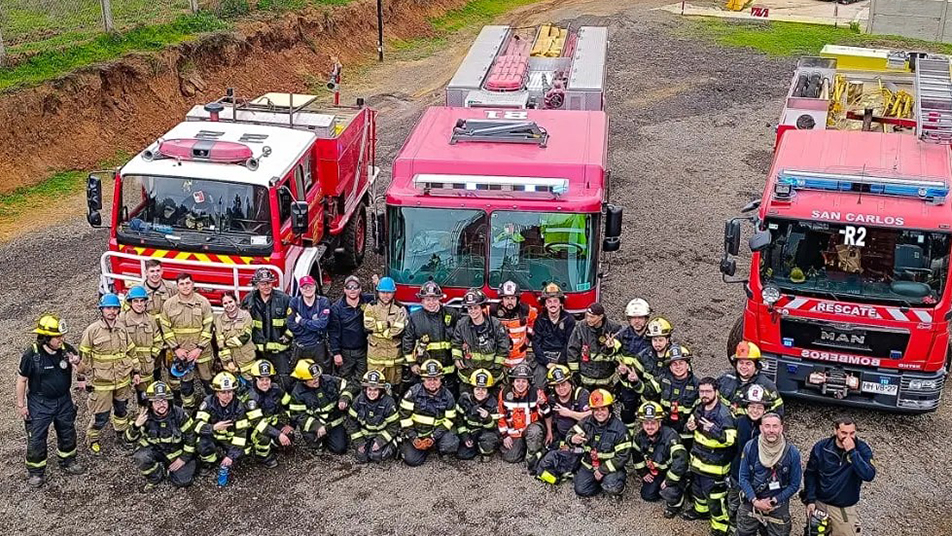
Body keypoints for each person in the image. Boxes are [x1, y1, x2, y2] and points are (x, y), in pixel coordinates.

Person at [17, 314, 85, 487]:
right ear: (45, 338)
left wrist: (77, 363)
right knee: (37, 438)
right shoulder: (31, 355)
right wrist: (21, 405)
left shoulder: (67, 350)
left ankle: (68, 460)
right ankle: (36, 471)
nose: (61, 339)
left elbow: (83, 369)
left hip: (64, 401)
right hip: (39, 404)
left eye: (62, 335)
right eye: (57, 337)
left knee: (67, 431)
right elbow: (22, 380)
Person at [78, 293, 141, 454]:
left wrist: (136, 371)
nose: (112, 311)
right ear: (101, 310)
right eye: (108, 308)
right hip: (101, 382)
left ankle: (121, 437)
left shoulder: (121, 328)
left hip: (121, 380)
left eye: (115, 308)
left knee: (121, 411)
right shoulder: (92, 331)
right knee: (101, 416)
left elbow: (131, 351)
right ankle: (92, 439)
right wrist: (81, 378)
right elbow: (83, 357)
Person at [803, 417, 876, 536]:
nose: (848, 437)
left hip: (843, 509)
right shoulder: (821, 447)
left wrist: (852, 452)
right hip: (820, 504)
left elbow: (869, 475)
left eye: (852, 433)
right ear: (835, 431)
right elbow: (810, 474)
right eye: (844, 433)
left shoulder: (862, 449)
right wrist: (810, 499)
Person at [683, 377, 737, 536]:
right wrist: (689, 427)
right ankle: (701, 511)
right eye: (701, 391)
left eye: (708, 391)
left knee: (715, 500)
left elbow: (731, 440)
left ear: (716, 392)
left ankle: (721, 527)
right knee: (697, 492)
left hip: (714, 468)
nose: (704, 395)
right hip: (698, 464)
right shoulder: (699, 408)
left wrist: (713, 430)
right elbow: (690, 429)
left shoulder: (724, 414)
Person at [736, 413, 801, 536]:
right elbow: (743, 478)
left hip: (778, 504)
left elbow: (795, 484)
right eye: (767, 426)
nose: (771, 430)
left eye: (775, 426)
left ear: (781, 428)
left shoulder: (792, 453)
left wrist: (774, 501)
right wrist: (755, 501)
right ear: (761, 428)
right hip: (752, 500)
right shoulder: (750, 447)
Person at [127, 381, 196, 490]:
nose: (161, 404)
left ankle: (170, 470)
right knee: (141, 457)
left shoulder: (179, 414)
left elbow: (191, 437)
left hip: (175, 452)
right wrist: (136, 426)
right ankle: (156, 477)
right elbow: (128, 439)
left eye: (164, 400)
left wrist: (183, 458)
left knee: (184, 481)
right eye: (156, 401)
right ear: (151, 403)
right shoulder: (144, 415)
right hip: (155, 450)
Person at [159, 273, 214, 410]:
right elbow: (166, 329)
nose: (185, 286)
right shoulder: (169, 305)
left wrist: (199, 348)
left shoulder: (203, 302)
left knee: (208, 381)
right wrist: (176, 348)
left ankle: (213, 407)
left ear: (193, 284)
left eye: (188, 283)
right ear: (177, 286)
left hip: (202, 352)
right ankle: (188, 409)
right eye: (182, 284)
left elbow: (209, 327)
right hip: (180, 353)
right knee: (185, 383)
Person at [567, 389, 631, 498]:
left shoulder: (620, 429)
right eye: (596, 409)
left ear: (610, 410)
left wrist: (602, 470)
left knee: (611, 486)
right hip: (589, 464)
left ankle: (617, 484)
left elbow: (623, 457)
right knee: (581, 490)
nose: (599, 412)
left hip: (610, 467)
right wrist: (572, 438)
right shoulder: (586, 422)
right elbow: (570, 433)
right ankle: (600, 484)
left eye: (603, 409)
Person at [631, 402, 688, 518]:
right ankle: (664, 488)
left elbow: (680, 462)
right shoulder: (639, 437)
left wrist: (668, 481)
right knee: (647, 495)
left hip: (671, 474)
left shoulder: (671, 437)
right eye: (646, 423)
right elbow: (636, 456)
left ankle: (676, 503)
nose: (649, 426)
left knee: (669, 492)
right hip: (656, 473)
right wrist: (643, 473)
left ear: (660, 422)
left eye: (653, 422)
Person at [193, 372, 250, 487]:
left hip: (229, 438)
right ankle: (209, 462)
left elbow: (241, 435)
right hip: (212, 436)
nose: (227, 395)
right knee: (202, 444)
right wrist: (213, 427)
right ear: (216, 393)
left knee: (244, 452)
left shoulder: (239, 407)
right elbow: (197, 425)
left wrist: (231, 456)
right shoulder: (208, 403)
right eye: (223, 392)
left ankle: (226, 456)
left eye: (229, 391)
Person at [288, 359, 355, 455]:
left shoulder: (328, 380)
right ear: (303, 380)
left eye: (317, 377)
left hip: (333, 422)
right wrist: (317, 426)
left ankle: (330, 437)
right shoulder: (297, 393)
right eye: (312, 379)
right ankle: (317, 443)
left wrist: (344, 398)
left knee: (340, 449)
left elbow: (347, 385)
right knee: (315, 444)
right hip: (315, 423)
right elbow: (298, 416)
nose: (316, 380)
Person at [399, 359, 459, 466]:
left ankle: (438, 448)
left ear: (441, 380)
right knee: (412, 461)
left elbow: (449, 420)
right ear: (423, 380)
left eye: (435, 379)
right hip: (417, 433)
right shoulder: (412, 393)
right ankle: (420, 448)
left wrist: (433, 437)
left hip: (437, 433)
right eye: (428, 379)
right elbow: (404, 418)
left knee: (450, 443)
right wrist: (414, 438)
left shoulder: (448, 396)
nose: (432, 383)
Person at [242, 268, 294, 389]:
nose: (267, 286)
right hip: (258, 350)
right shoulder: (249, 300)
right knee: (258, 380)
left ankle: (285, 405)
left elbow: (294, 321)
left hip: (280, 349)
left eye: (269, 283)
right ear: (256, 285)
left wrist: (288, 335)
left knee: (285, 380)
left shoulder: (284, 299)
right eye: (263, 283)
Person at [729, 384, 774, 522]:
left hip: (759, 475)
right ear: (746, 407)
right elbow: (731, 446)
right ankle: (732, 521)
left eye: (759, 407)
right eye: (752, 407)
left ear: (765, 409)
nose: (755, 411)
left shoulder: (769, 428)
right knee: (734, 500)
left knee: (753, 504)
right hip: (738, 471)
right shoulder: (739, 422)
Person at [402, 281, 459, 388]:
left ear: (440, 299)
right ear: (422, 300)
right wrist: (412, 364)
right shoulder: (415, 318)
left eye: (434, 299)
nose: (431, 303)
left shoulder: (452, 314)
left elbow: (460, 338)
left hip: (448, 371)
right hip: (424, 372)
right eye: (428, 299)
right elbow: (407, 341)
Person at [497, 363, 551, 471]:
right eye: (518, 381)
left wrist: (543, 404)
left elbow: (547, 413)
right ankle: (525, 447)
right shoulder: (504, 393)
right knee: (511, 457)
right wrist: (505, 435)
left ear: (528, 382)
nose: (520, 384)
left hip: (531, 428)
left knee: (534, 432)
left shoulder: (537, 393)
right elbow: (500, 415)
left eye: (524, 381)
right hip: (514, 431)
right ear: (513, 382)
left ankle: (532, 457)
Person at [453, 288, 510, 388]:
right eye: (470, 308)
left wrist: (496, 367)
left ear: (482, 307)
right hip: (468, 374)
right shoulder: (461, 325)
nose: (472, 311)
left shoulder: (495, 325)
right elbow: (456, 343)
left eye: (476, 308)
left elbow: (503, 346)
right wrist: (457, 359)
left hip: (491, 374)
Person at [244, 360, 293, 468]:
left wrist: (291, 425)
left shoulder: (276, 389)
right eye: (261, 379)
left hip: (271, 423)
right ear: (255, 379)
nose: (265, 383)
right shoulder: (252, 399)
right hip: (253, 429)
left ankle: (273, 443)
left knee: (289, 435)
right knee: (263, 438)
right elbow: (258, 423)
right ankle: (262, 457)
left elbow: (289, 406)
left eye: (267, 379)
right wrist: (279, 434)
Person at [363, 276, 408, 393]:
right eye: (383, 292)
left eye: (389, 292)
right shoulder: (371, 307)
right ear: (378, 292)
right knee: (374, 385)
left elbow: (399, 328)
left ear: (393, 293)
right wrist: (388, 324)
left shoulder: (400, 308)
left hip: (394, 355)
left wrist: (380, 330)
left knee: (395, 386)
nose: (385, 295)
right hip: (375, 354)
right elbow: (368, 325)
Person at [119, 286, 162, 405]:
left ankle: (145, 418)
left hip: (145, 366)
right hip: (126, 367)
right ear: (130, 303)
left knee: (147, 398)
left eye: (142, 301)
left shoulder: (151, 320)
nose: (139, 304)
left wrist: (152, 357)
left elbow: (158, 341)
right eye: (135, 301)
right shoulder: (121, 319)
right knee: (122, 401)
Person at [346, 370, 400, 464]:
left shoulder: (388, 402)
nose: (372, 393)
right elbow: (351, 422)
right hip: (365, 435)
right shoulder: (359, 400)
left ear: (381, 390)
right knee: (362, 458)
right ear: (365, 389)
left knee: (377, 456)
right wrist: (359, 442)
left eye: (375, 390)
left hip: (381, 433)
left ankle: (393, 444)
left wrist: (380, 441)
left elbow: (394, 426)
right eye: (369, 389)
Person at [718, 341, 784, 417]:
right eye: (741, 362)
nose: (744, 366)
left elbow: (778, 412)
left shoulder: (766, 385)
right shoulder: (726, 378)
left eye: (748, 363)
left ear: (756, 365)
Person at [329, 275, 374, 382]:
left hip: (364, 350)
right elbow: (333, 332)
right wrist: (336, 353)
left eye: (355, 287)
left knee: (363, 379)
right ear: (344, 290)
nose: (352, 290)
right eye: (349, 287)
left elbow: (383, 297)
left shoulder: (368, 300)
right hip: (345, 352)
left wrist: (377, 284)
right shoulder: (336, 308)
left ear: (360, 289)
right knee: (343, 380)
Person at [566, 303, 622, 390]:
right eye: (587, 316)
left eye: (592, 317)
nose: (588, 319)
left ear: (601, 317)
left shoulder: (614, 328)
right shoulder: (580, 327)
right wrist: (575, 372)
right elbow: (573, 349)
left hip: (605, 377)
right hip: (585, 377)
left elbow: (619, 352)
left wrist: (610, 348)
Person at [531, 283, 576, 388]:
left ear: (560, 303)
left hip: (562, 359)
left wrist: (559, 363)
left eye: (555, 301)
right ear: (545, 304)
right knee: (539, 385)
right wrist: (546, 363)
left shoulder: (569, 320)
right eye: (549, 301)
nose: (552, 304)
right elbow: (536, 344)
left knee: (564, 385)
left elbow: (569, 344)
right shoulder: (540, 320)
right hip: (544, 359)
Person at [489, 280, 538, 371]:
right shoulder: (492, 310)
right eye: (507, 298)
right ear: (502, 299)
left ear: (518, 299)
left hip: (519, 361)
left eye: (512, 298)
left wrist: (527, 340)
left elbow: (534, 322)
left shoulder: (526, 310)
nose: (510, 301)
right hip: (499, 361)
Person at [656, 345, 700, 447]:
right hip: (665, 431)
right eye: (674, 364)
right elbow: (648, 393)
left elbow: (702, 408)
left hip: (687, 434)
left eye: (681, 363)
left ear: (687, 365)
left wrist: (694, 419)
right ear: (670, 367)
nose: (678, 367)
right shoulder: (662, 380)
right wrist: (635, 381)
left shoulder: (696, 385)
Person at [142, 259, 176, 383]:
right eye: (152, 271)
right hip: (150, 337)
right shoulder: (140, 291)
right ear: (146, 273)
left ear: (162, 271)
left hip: (168, 337)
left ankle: (175, 398)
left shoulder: (171, 289)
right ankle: (156, 391)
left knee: (173, 366)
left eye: (158, 270)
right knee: (153, 366)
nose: (155, 274)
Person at [288, 275, 332, 369]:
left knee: (323, 374)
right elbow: (291, 325)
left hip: (319, 345)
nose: (308, 289)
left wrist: (301, 321)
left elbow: (322, 324)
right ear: (300, 289)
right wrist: (313, 327)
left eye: (310, 286)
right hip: (300, 346)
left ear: (315, 287)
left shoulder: (323, 302)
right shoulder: (294, 302)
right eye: (304, 287)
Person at [456, 369, 501, 461]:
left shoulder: (493, 403)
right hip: (470, 432)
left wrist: (487, 418)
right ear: (472, 389)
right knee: (463, 455)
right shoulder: (464, 400)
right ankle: (474, 447)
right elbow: (459, 420)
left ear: (488, 391)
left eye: (483, 389)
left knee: (489, 439)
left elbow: (495, 428)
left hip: (484, 433)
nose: (480, 392)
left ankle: (486, 452)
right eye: (477, 389)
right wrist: (465, 437)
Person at [215, 293, 256, 382]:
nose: (229, 305)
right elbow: (220, 342)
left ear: (236, 301)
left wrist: (226, 343)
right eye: (225, 303)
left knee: (251, 384)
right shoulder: (219, 320)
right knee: (233, 385)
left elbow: (245, 337)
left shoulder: (246, 316)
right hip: (229, 360)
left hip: (246, 358)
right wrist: (229, 361)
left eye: (230, 301)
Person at [544, 364, 591, 444]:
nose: (561, 388)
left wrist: (569, 413)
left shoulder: (581, 394)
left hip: (581, 436)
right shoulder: (552, 398)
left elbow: (590, 416)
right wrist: (549, 431)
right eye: (557, 386)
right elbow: (548, 415)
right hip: (560, 436)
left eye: (563, 384)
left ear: (570, 382)